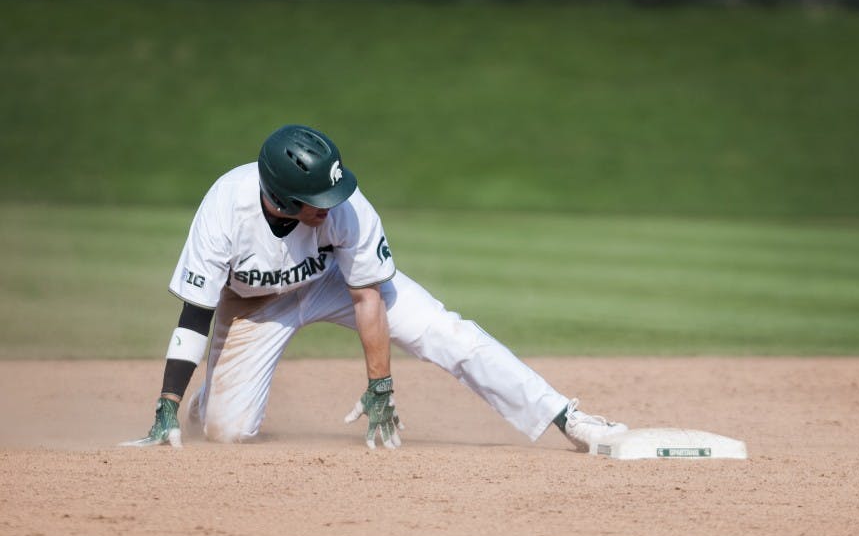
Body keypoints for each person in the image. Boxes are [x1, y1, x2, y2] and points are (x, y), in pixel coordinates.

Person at [122, 124, 628, 451]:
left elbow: (368, 298)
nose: (331, 204)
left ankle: (567, 417)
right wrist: (165, 402)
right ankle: (199, 405)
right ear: (280, 195)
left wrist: (379, 386)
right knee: (226, 432)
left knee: (447, 333)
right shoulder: (224, 210)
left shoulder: (347, 208)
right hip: (257, 309)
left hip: (336, 285)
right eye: (316, 198)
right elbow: (195, 313)